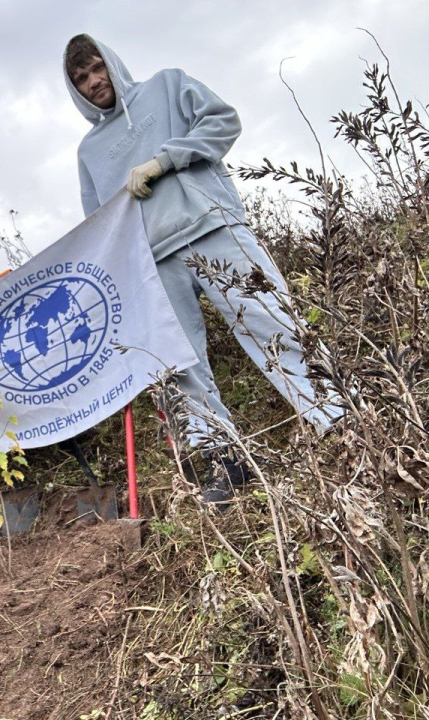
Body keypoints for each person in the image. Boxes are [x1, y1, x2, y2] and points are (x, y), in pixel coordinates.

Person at [63, 34, 341, 505]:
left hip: (210, 226)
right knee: (178, 365)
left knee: (270, 322)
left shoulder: (167, 87)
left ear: (110, 61)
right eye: (81, 79)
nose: (93, 82)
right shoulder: (88, 152)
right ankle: (224, 463)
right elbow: (99, 223)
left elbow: (223, 121)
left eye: (95, 69)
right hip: (153, 263)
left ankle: (337, 420)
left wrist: (164, 160)